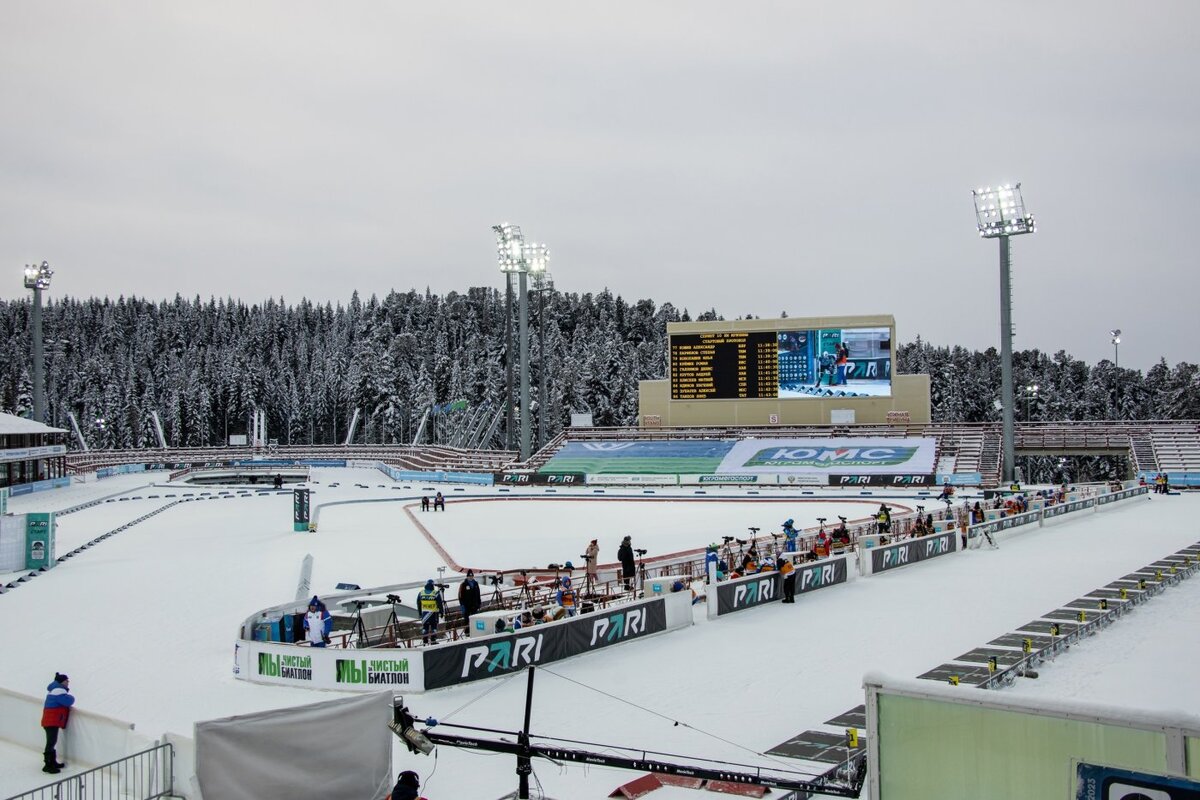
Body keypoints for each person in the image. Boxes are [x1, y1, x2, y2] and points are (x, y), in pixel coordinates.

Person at [41, 673, 74, 773]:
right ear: (62, 682)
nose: (68, 683)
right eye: (66, 681)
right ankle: (48, 764)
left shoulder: (54, 691)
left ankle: (52, 762)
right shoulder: (58, 692)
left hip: (50, 721)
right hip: (51, 721)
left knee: (52, 741)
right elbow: (69, 701)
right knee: (51, 742)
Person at [417, 580, 444, 645]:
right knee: (434, 627)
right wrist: (441, 612)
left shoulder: (421, 593)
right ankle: (433, 640)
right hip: (433, 613)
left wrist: (420, 613)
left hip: (425, 614)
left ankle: (425, 641)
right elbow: (440, 603)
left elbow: (418, 603)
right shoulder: (436, 593)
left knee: (425, 627)